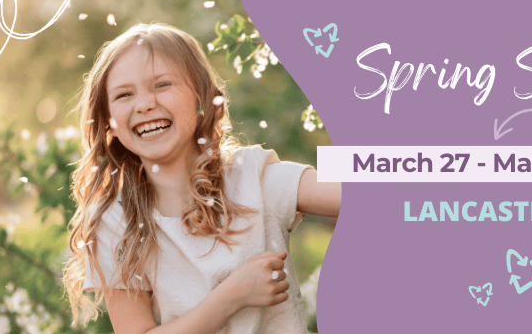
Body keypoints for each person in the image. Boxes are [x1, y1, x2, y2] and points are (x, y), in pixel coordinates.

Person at [62, 23, 341, 334]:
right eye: (125, 94)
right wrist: (234, 295)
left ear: (202, 96)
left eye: (162, 85)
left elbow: (356, 188)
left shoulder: (254, 177)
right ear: (108, 121)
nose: (144, 104)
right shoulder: (115, 218)